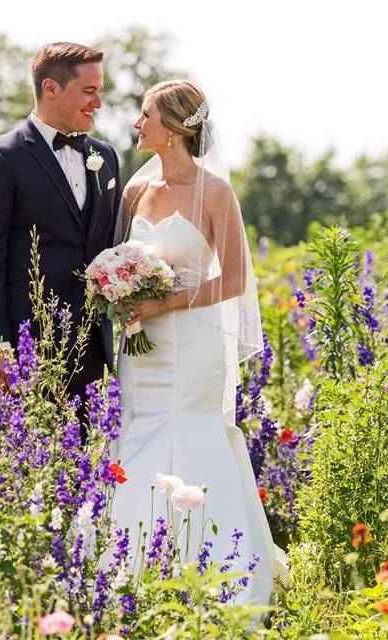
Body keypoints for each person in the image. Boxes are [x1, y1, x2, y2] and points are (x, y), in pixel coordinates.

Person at [109, 80, 287, 606]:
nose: (137, 125)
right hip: (142, 345)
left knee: (193, 436)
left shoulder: (216, 193)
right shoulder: (135, 193)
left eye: (146, 116)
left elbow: (233, 281)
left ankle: (220, 576)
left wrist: (165, 303)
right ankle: (132, 570)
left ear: (173, 128)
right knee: (138, 435)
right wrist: (117, 294)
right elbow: (119, 262)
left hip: (193, 345)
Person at [0, 42, 122, 408]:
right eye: (88, 91)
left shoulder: (106, 156)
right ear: (51, 88)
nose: (97, 103)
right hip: (27, 348)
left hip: (95, 345)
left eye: (99, 92)